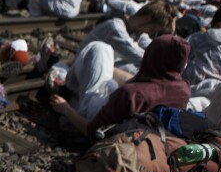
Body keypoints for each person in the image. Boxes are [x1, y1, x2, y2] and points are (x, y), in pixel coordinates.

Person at [51, 35, 191, 138]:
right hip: (146, 138)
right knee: (107, 75)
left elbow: (91, 131)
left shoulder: (130, 94)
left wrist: (66, 109)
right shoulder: (184, 89)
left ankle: (58, 73)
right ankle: (58, 69)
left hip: (93, 124)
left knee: (99, 49)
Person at [78, 0, 179, 75]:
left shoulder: (136, 30)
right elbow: (137, 54)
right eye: (152, 30)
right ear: (146, 19)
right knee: (137, 71)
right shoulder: (115, 27)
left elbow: (152, 46)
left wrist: (171, 37)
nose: (149, 33)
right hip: (82, 70)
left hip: (96, 68)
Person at [183, 5, 221, 101]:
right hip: (215, 93)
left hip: (188, 84)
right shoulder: (198, 37)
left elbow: (179, 52)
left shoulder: (198, 37)